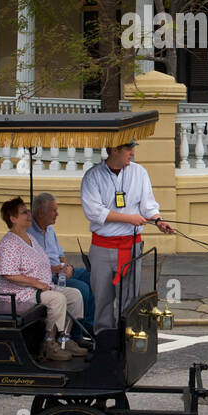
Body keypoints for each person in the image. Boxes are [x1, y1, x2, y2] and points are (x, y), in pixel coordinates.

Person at [80, 140, 174, 334]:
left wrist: (158, 220)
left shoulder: (139, 172)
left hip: (131, 247)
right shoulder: (93, 176)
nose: (132, 153)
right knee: (103, 300)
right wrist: (129, 218)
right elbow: (95, 212)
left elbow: (148, 205)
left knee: (130, 301)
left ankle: (127, 342)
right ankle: (103, 344)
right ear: (115, 150)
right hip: (102, 248)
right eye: (128, 149)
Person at [0, 197, 87, 364]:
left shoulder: (30, 238)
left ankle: (64, 339)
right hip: (21, 294)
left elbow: (41, 265)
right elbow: (9, 274)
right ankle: (48, 344)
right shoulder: (9, 243)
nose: (29, 214)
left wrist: (55, 270)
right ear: (13, 218)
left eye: (28, 211)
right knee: (57, 299)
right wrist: (36, 283)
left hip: (43, 288)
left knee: (75, 295)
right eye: (24, 212)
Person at [29, 191, 94, 329]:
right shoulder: (28, 233)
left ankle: (90, 326)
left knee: (94, 278)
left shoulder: (50, 229)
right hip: (48, 277)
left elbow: (60, 253)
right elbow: (33, 266)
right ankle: (78, 333)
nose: (57, 214)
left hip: (62, 271)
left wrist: (67, 266)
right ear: (41, 213)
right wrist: (58, 271)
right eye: (53, 210)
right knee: (82, 288)